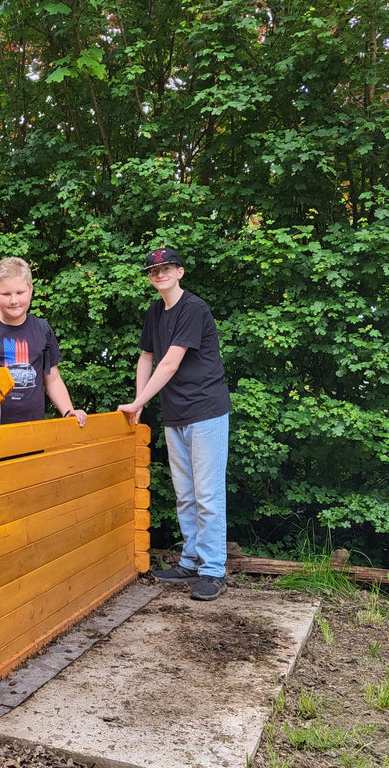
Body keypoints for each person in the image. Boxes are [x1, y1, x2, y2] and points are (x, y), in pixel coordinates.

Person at [117, 248, 231, 602]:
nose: (160, 274)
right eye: (154, 271)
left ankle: (213, 571)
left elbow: (169, 363)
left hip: (206, 411)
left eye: (166, 269)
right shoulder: (155, 311)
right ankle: (190, 561)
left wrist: (139, 403)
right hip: (175, 413)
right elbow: (147, 357)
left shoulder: (193, 309)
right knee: (185, 493)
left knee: (207, 494)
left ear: (179, 272)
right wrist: (139, 404)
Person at [0, 256, 87, 426]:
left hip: (33, 431)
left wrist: (68, 411)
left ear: (31, 290)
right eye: (6, 294)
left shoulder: (42, 329)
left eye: (20, 293)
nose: (14, 300)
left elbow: (52, 379)